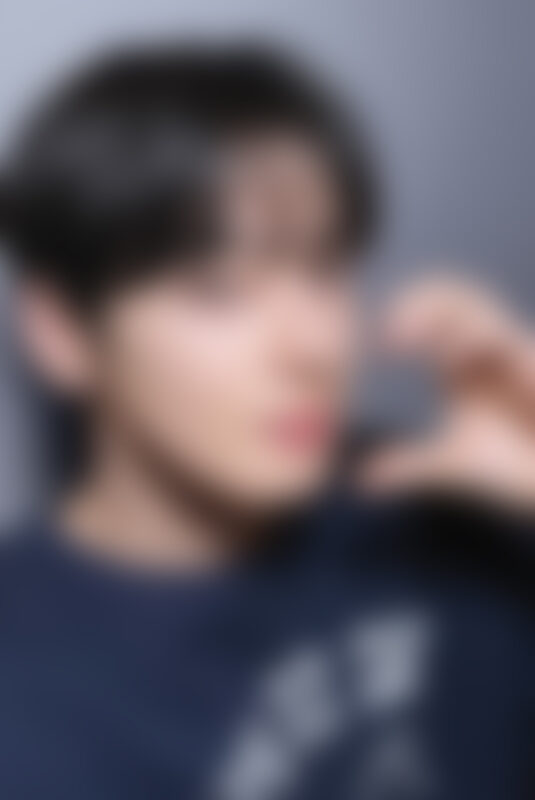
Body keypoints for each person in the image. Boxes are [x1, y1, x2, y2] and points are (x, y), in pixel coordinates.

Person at [0, 43, 533, 800]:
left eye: (324, 270)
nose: (314, 345)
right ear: (61, 333)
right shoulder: (26, 696)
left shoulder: (446, 518)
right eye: (219, 291)